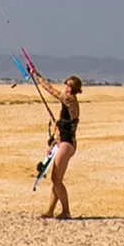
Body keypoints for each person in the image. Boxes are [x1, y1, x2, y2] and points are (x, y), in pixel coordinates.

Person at [41, 72, 82, 219]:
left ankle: (66, 211)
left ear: (72, 88)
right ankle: (50, 210)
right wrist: (53, 144)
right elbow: (63, 127)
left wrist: (37, 76)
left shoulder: (69, 99)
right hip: (64, 141)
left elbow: (52, 91)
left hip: (67, 144)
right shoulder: (69, 101)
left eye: (67, 84)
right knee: (56, 178)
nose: (65, 86)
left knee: (56, 179)